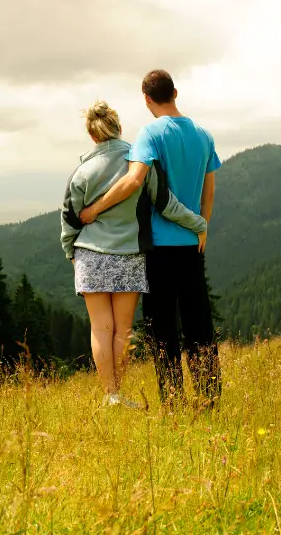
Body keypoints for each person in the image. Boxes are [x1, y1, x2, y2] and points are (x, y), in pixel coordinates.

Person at [79, 70, 222, 408]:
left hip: (157, 248)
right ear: (175, 92)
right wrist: (203, 228)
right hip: (191, 245)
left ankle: (173, 401)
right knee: (199, 323)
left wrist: (95, 209)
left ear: (146, 99)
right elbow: (210, 191)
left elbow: (133, 181)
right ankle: (210, 398)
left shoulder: (150, 133)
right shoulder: (204, 135)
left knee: (163, 329)